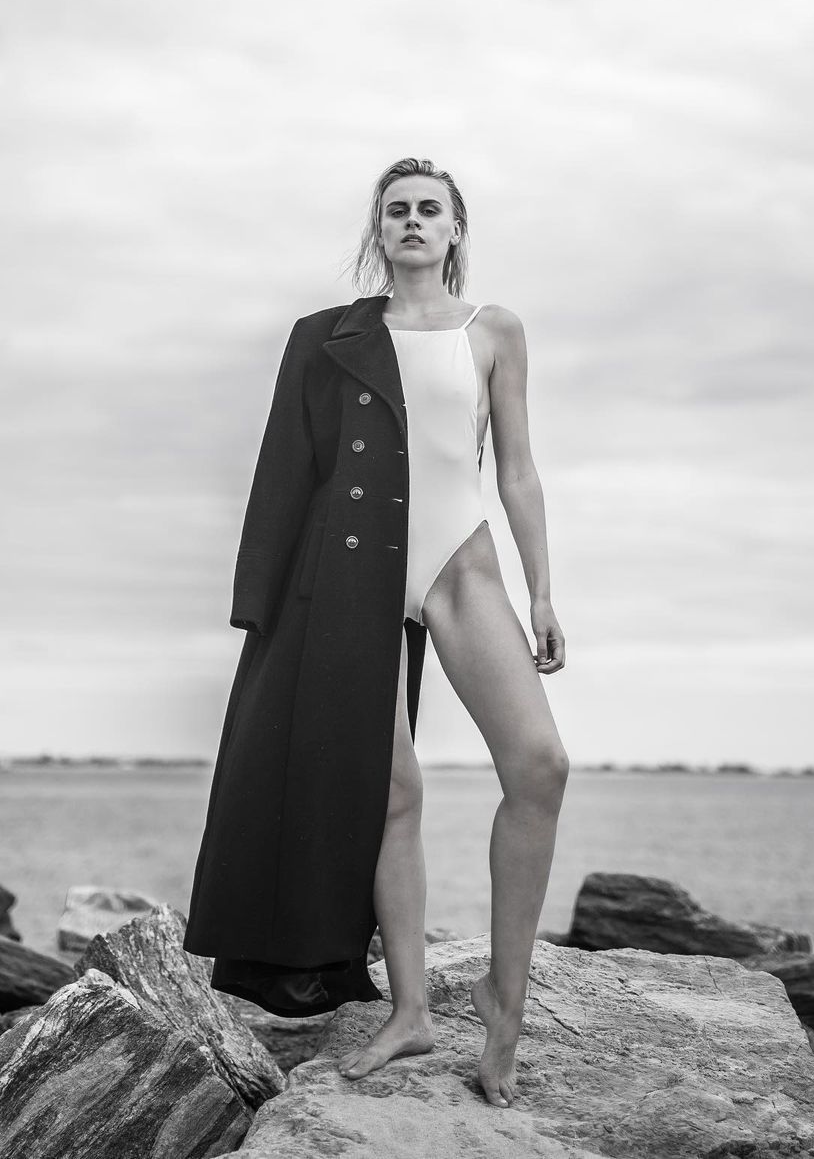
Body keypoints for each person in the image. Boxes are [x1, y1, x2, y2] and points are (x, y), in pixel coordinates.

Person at [183, 157, 568, 1110]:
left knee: (540, 765)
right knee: (393, 792)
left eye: (430, 209)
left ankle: (505, 1004)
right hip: (347, 572)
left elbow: (517, 470)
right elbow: (284, 469)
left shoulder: (494, 331)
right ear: (379, 230)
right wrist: (263, 610)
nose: (412, 221)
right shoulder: (328, 337)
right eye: (396, 210)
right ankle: (410, 1010)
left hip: (460, 563)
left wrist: (542, 592)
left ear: (455, 229)